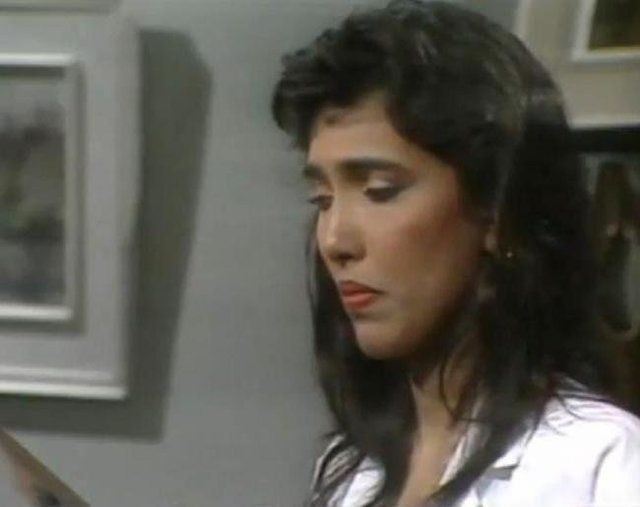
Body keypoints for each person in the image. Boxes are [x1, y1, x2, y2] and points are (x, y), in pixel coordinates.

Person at [271, 1, 640, 506]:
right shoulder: (352, 471)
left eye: (379, 190)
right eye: (322, 199)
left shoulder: (600, 465)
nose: (335, 241)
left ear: (497, 210)